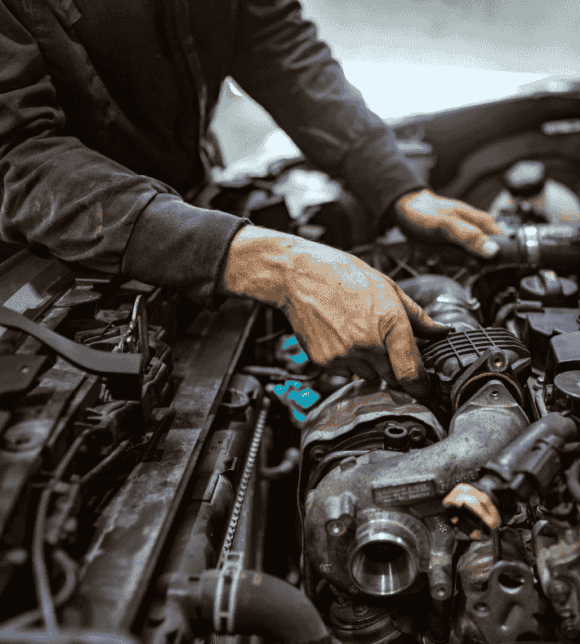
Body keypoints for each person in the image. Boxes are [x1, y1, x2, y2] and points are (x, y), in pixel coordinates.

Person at [0, 0, 502, 398]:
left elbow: (274, 41)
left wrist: (395, 186)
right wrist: (278, 266)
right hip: (39, 266)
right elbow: (19, 157)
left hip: (180, 204)